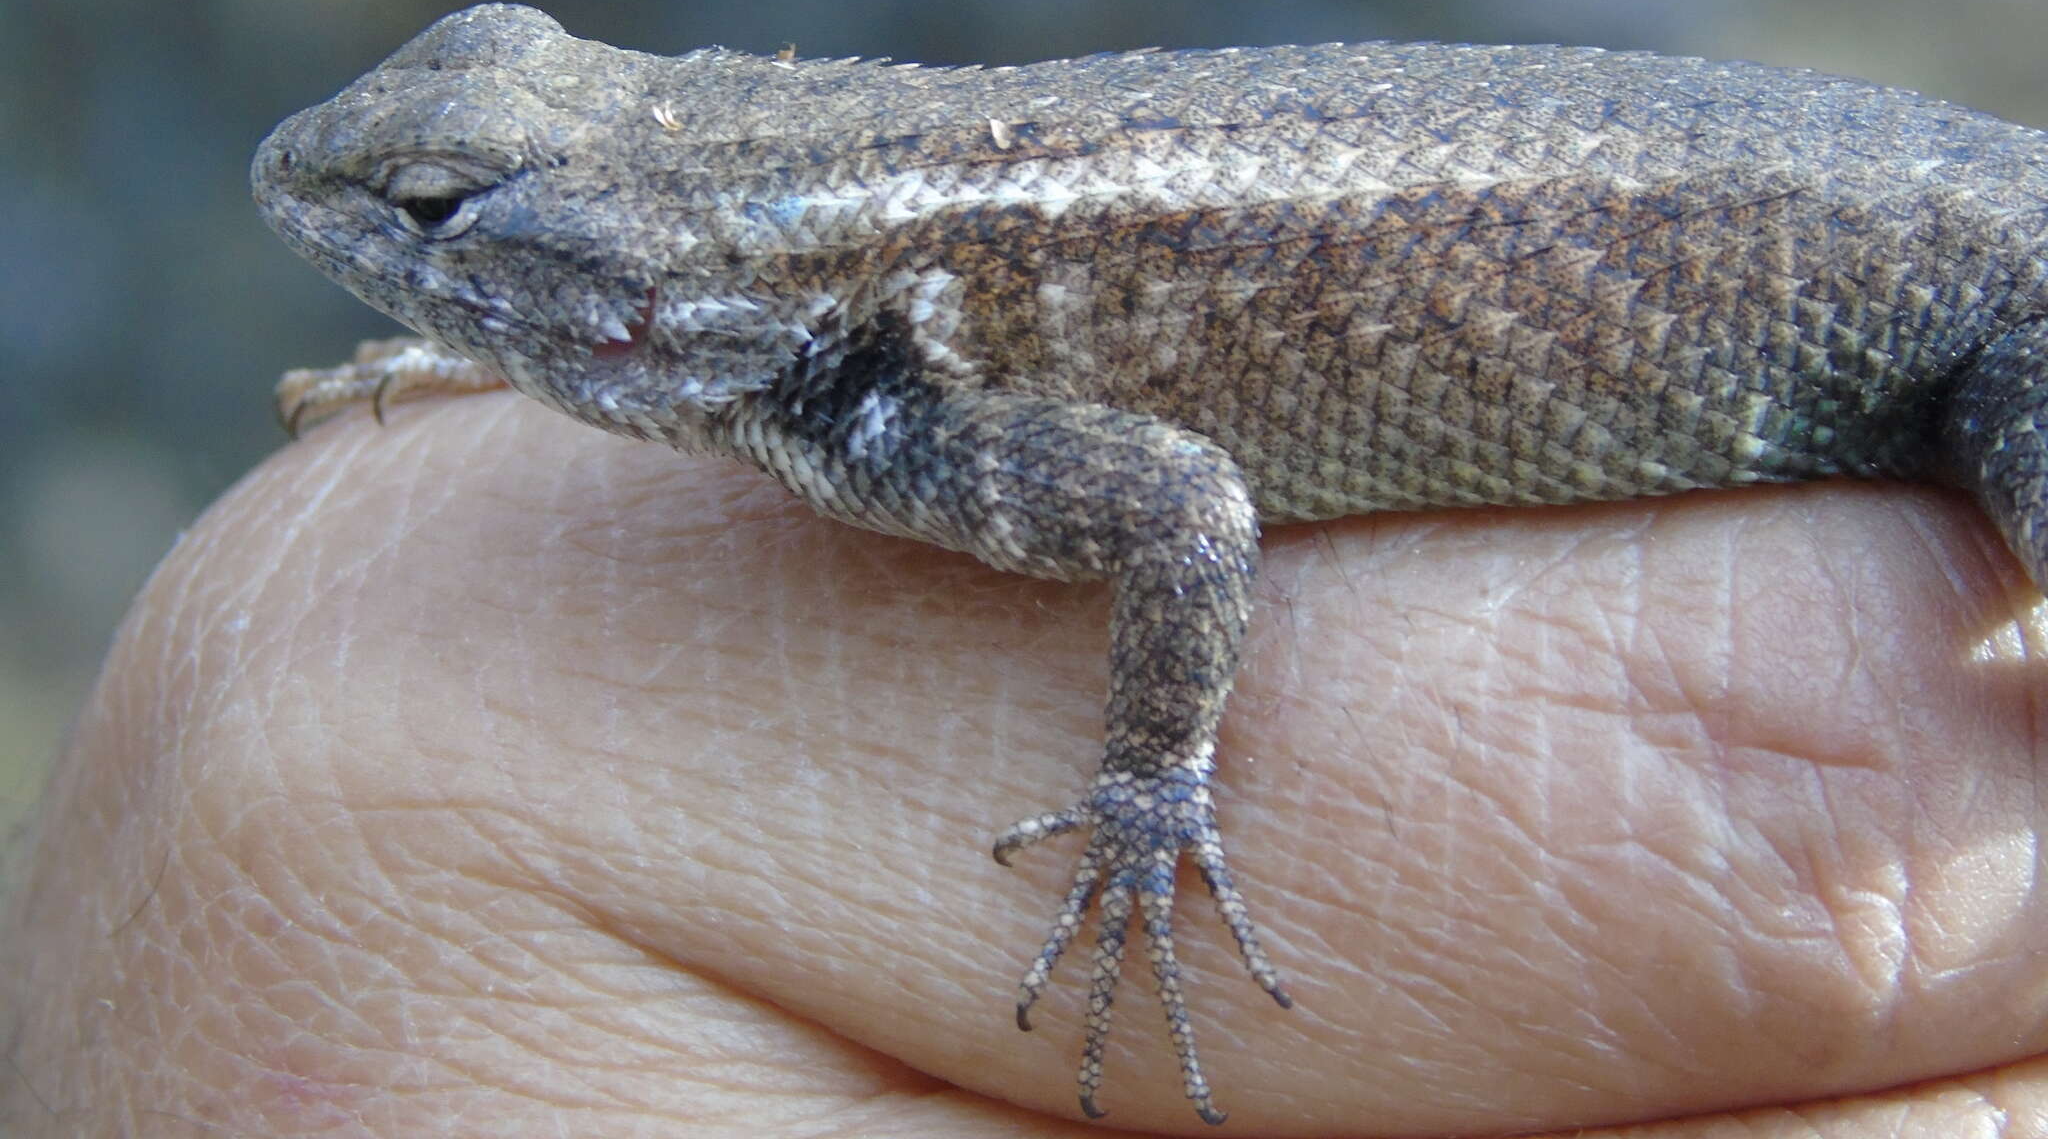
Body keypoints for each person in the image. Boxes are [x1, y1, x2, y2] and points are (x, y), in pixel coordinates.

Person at [7, 392, 2044, 1135]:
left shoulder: (883, 374)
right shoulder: (802, 350)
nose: (380, 235)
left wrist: (1155, 782)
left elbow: (1177, 510)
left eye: (459, 228)